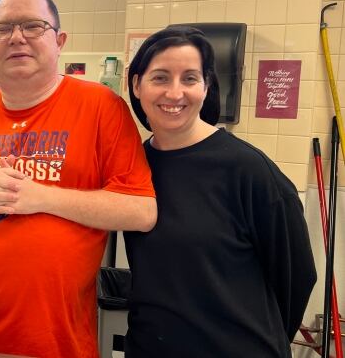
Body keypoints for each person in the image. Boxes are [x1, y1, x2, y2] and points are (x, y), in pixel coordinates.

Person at [0, 0, 157, 358]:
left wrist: (41, 197)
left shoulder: (100, 106)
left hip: (56, 342)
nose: (17, 38)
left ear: (59, 41)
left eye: (33, 26)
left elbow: (140, 211)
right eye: (5, 28)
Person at [124, 26, 316, 357]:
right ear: (137, 84)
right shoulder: (133, 167)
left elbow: (296, 276)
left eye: (189, 78)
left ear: (207, 86)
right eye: (160, 77)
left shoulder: (249, 171)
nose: (174, 92)